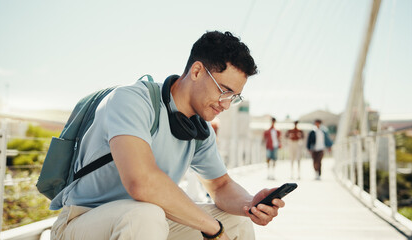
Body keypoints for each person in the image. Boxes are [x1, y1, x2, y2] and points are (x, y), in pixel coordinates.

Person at [50, 31, 286, 240]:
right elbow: (142, 183)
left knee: (237, 221)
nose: (226, 105)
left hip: (148, 221)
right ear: (196, 71)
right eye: (224, 91)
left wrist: (250, 204)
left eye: (234, 97)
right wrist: (213, 229)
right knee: (145, 215)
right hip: (81, 221)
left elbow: (220, 185)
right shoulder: (132, 101)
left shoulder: (199, 130)